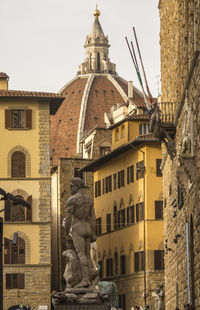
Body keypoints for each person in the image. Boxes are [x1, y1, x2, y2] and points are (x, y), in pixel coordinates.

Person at [63, 177, 97, 288]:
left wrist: (66, 232)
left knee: (81, 254)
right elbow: (93, 218)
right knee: (87, 255)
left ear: (77, 186)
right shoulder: (89, 200)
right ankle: (89, 278)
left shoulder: (72, 199)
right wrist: (93, 233)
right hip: (87, 227)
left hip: (77, 227)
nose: (70, 188)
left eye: (71, 186)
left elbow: (68, 218)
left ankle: (85, 280)